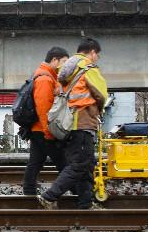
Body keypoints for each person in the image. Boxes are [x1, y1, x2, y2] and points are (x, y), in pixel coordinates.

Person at [38, 38, 108, 210]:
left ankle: (86, 203)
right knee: (78, 166)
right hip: (83, 123)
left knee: (86, 166)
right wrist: (99, 109)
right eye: (97, 55)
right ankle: (49, 196)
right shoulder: (88, 68)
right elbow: (102, 95)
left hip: (68, 125)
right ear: (92, 52)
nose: (97, 58)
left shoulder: (65, 69)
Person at [22, 47, 70, 196]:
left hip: (38, 129)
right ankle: (77, 191)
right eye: (64, 62)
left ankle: (29, 193)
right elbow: (44, 108)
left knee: (35, 162)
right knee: (64, 163)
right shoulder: (44, 78)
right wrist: (49, 132)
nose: (65, 66)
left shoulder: (47, 76)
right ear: (54, 60)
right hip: (43, 130)